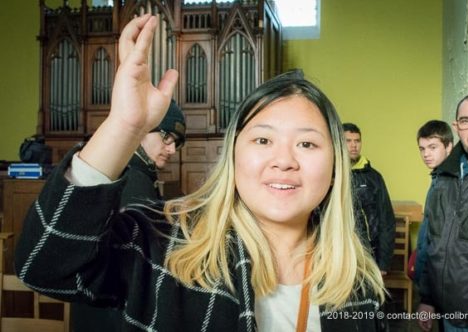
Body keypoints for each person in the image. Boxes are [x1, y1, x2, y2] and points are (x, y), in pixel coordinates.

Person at [15, 15, 387, 331]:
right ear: (234, 157)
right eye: (262, 141)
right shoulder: (166, 247)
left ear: (336, 163)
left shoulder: (357, 281)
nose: (284, 160)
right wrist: (124, 126)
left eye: (307, 144)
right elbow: (44, 264)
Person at [70, 100, 186, 332]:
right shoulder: (133, 179)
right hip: (110, 316)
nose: (172, 149)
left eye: (177, 142)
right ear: (141, 130)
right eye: (166, 137)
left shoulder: (132, 172)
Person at [417, 92, 468, 332]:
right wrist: (427, 299)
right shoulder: (443, 176)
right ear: (457, 127)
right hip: (448, 314)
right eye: (465, 121)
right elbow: (431, 244)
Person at [342, 123, 395, 275]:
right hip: (338, 254)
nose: (353, 145)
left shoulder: (374, 177)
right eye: (348, 141)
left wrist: (384, 263)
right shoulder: (329, 174)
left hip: (369, 255)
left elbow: (386, 219)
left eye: (357, 141)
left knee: (369, 298)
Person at [413, 120, 453, 285]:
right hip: (429, 273)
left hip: (441, 280)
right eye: (422, 149)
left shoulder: (451, 182)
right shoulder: (438, 177)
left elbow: (444, 240)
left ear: (449, 147)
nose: (426, 154)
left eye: (432, 147)